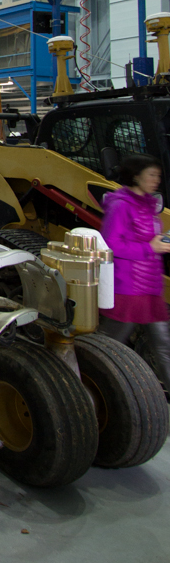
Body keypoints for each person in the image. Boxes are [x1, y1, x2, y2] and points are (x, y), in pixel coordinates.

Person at [99, 153, 170, 392]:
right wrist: (149, 247)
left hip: (149, 287)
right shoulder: (120, 206)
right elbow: (111, 244)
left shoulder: (149, 205)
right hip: (128, 287)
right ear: (136, 176)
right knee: (109, 345)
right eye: (151, 175)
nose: (156, 180)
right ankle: (88, 385)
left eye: (158, 175)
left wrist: (158, 243)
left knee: (163, 345)